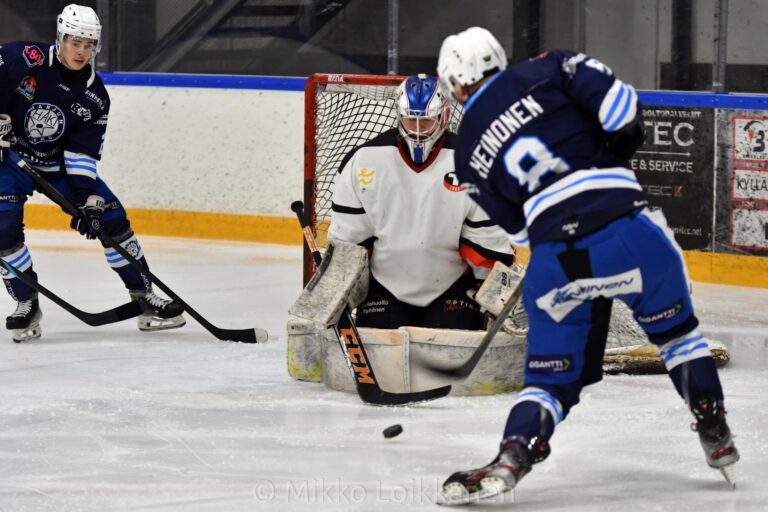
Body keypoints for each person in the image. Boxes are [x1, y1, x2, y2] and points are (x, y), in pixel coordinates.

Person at [434, 27, 739, 504]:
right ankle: (713, 425)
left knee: (549, 383)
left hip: (556, 262)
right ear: (499, 58)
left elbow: (520, 234)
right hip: (627, 231)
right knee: (679, 339)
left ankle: (514, 451)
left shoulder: (468, 146)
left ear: (454, 84)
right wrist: (609, 153)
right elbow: (622, 110)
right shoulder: (549, 65)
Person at [0, 4, 185, 342]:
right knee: (2, 227)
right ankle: (26, 302)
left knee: (111, 220)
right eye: (75, 43)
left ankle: (144, 296)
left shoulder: (95, 96)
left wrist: (87, 202)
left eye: (89, 45)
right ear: (60, 38)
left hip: (59, 167)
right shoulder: (24, 58)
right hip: (10, 158)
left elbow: (81, 154)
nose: (82, 52)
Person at [327, 73, 514, 330]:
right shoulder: (364, 161)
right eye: (410, 119)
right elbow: (350, 239)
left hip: (452, 285)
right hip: (386, 285)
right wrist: (339, 292)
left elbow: (486, 240)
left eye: (425, 121)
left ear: (444, 117)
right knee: (379, 354)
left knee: (451, 354)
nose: (416, 129)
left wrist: (494, 296)